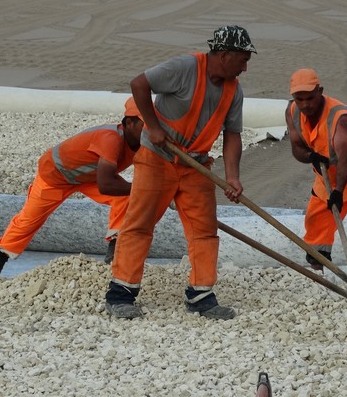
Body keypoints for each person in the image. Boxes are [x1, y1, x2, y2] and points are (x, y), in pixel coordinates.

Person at [104, 25, 256, 320]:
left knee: (205, 232)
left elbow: (233, 134)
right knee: (139, 224)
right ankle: (121, 293)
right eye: (242, 59)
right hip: (157, 159)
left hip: (195, 165)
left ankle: (201, 296)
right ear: (224, 55)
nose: (245, 67)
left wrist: (233, 177)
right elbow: (139, 84)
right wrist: (154, 126)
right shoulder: (185, 68)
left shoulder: (233, 90)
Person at [0, 97, 145, 287]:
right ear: (128, 122)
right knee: (27, 221)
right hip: (55, 177)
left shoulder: (141, 143)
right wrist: (144, 189)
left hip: (89, 177)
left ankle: (114, 256)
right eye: (146, 124)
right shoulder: (111, 140)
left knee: (126, 197)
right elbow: (106, 185)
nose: (151, 130)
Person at [284, 68, 347, 277]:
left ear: (320, 91)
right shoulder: (292, 112)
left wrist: (338, 192)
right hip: (327, 171)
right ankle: (319, 273)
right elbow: (297, 148)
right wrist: (311, 158)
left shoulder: (338, 116)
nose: (305, 104)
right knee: (316, 221)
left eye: (310, 98)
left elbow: (345, 158)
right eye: (300, 99)